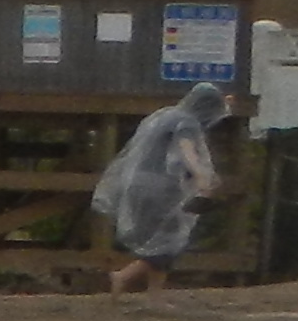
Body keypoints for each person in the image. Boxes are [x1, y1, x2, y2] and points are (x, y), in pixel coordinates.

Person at [90, 80, 229, 294]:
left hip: (137, 183)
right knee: (169, 242)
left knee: (162, 239)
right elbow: (187, 152)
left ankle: (155, 294)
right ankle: (123, 276)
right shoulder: (187, 122)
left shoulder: (163, 115)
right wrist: (202, 177)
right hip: (162, 189)